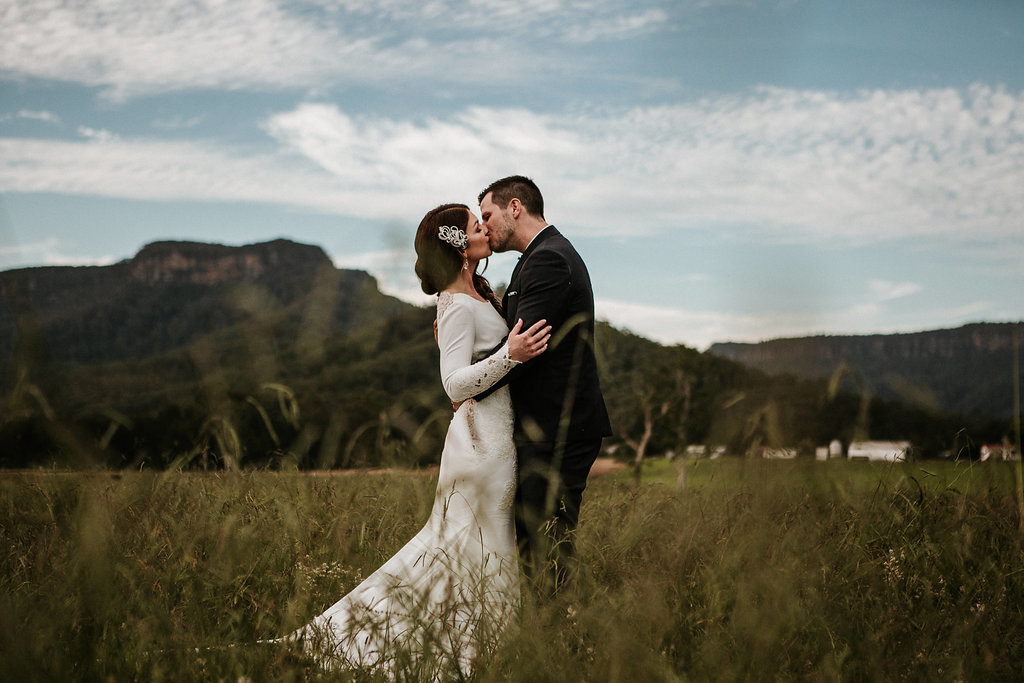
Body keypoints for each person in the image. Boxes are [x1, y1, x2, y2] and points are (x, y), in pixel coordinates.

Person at [286, 203, 551, 678]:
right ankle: (460, 651)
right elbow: (452, 384)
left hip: (496, 439)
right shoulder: (453, 305)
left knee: (480, 547)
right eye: (475, 226)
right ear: (458, 244)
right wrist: (511, 355)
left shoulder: (479, 293)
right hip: (479, 447)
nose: (484, 229)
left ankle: (480, 644)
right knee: (474, 546)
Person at [475, 175, 612, 594]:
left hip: (559, 428)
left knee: (545, 544)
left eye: (487, 215)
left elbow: (524, 347)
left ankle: (553, 639)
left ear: (515, 207)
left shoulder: (549, 259)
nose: (483, 228)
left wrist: (467, 385)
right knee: (535, 540)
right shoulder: (534, 259)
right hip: (545, 427)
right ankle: (549, 629)